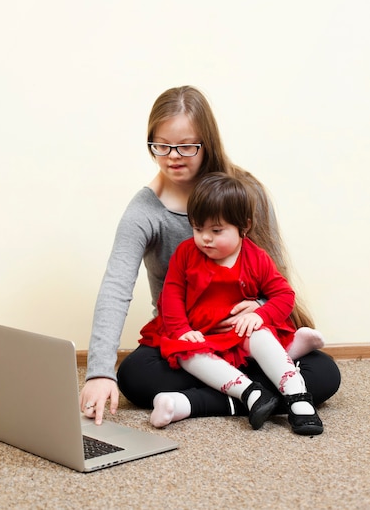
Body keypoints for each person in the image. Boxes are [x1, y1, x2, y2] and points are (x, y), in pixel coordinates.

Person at [79, 85, 340, 425]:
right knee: (134, 375)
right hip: (190, 341)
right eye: (161, 146)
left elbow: (275, 279)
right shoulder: (144, 212)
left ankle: (195, 403)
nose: (173, 156)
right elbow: (116, 287)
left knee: (326, 373)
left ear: (207, 143)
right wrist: (99, 372)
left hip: (245, 338)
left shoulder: (246, 193)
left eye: (186, 146)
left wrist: (260, 309)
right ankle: (268, 396)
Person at [147, 172, 323, 434]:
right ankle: (250, 393)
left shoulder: (256, 258)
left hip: (241, 334)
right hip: (202, 336)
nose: (205, 238)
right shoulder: (186, 253)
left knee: (261, 336)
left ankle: (297, 395)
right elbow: (171, 296)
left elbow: (284, 295)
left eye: (217, 231)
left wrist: (260, 315)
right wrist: (182, 330)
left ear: (244, 227)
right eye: (198, 228)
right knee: (183, 354)